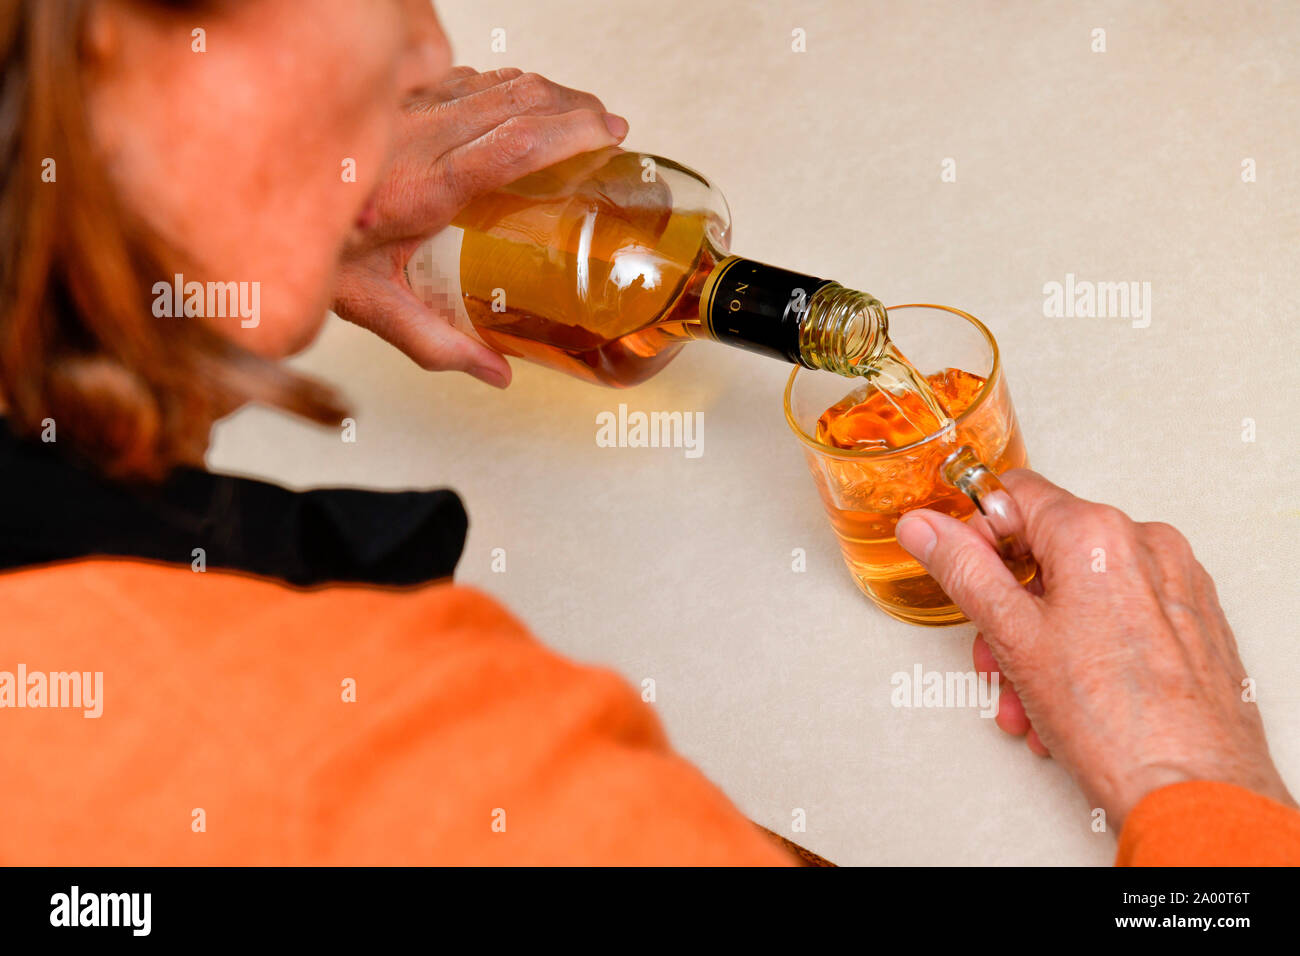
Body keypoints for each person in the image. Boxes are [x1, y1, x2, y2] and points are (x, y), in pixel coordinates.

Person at [0, 0, 1295, 866]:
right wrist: (1196, 778)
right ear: (113, 39)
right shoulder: (389, 769)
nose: (421, 50)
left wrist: (226, 185)